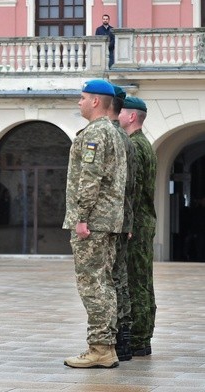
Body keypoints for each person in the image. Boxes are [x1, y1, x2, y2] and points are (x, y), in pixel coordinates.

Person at [62, 80, 126, 368]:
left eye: (83, 98)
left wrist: (82, 217)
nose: (79, 102)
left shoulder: (96, 133)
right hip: (108, 219)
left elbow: (90, 178)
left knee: (92, 285)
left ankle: (99, 347)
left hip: (94, 221)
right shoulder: (113, 132)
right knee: (105, 284)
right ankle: (106, 346)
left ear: (96, 102)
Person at [118, 96, 157, 357]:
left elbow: (133, 188)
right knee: (142, 278)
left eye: (121, 112)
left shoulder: (135, 145)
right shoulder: (144, 144)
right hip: (143, 221)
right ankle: (142, 335)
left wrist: (127, 223)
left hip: (137, 223)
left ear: (132, 117)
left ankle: (139, 338)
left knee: (136, 280)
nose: (117, 115)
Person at [109, 85, 136, 361]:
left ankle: (113, 339)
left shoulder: (112, 137)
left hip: (110, 221)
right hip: (121, 219)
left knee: (109, 281)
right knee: (120, 280)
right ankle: (124, 338)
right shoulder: (127, 139)